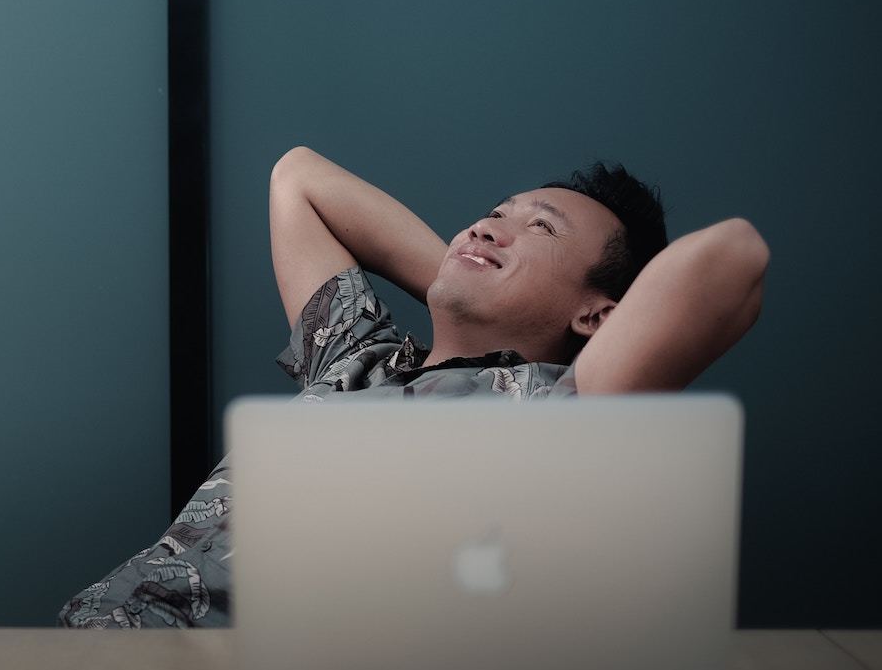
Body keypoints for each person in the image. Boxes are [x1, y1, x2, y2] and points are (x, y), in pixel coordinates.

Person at [57, 146, 769, 628]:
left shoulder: (562, 409)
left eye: (538, 227)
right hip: (92, 640)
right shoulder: (354, 357)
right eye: (494, 212)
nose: (490, 226)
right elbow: (298, 176)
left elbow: (734, 256)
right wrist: (465, 272)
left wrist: (542, 315)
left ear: (597, 313)